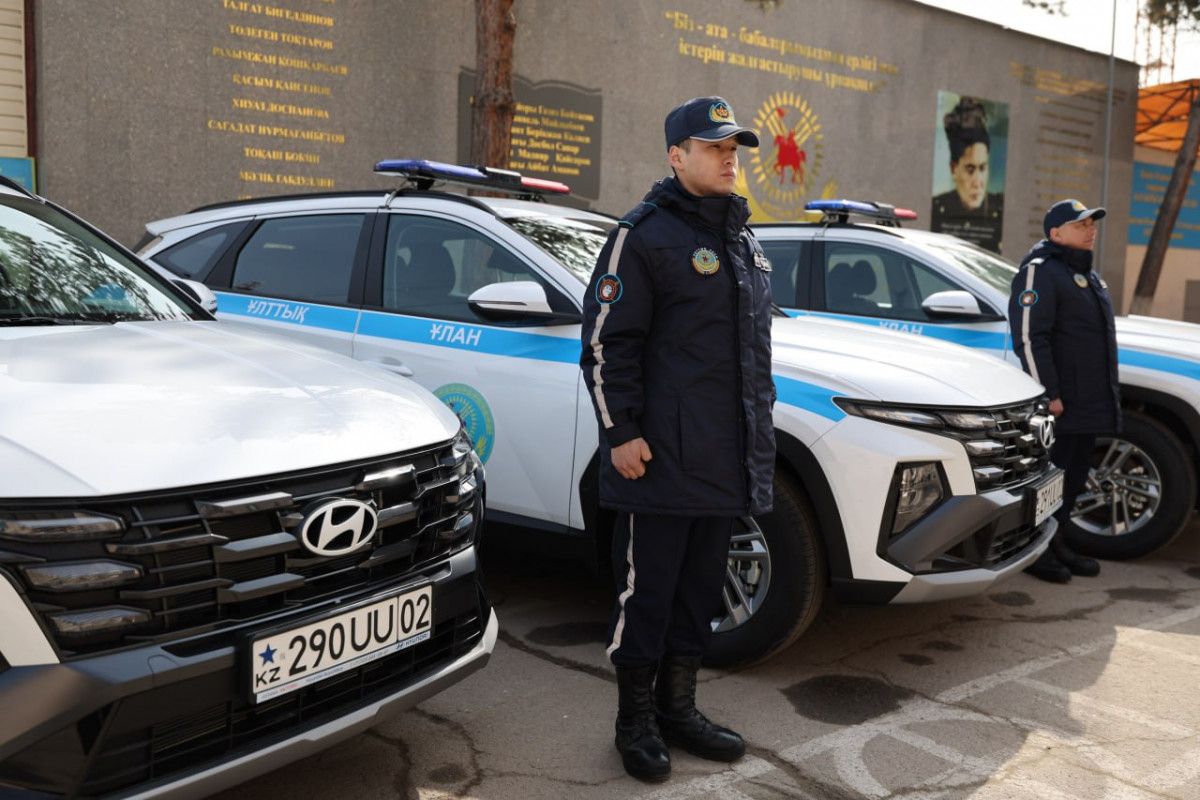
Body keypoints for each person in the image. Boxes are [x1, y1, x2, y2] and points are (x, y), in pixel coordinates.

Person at [579, 96, 775, 782]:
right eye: (714, 146)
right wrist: (620, 432)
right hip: (659, 459)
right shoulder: (643, 236)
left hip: (724, 457)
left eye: (733, 148)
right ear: (676, 155)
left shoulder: (741, 240)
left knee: (699, 593)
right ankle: (634, 722)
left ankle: (679, 710)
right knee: (649, 594)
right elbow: (607, 346)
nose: (728, 158)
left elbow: (750, 355)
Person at [1008, 199, 1120, 583]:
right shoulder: (1040, 272)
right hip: (1061, 402)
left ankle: (1059, 541)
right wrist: (1048, 394)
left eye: (1092, 224)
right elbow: (1030, 338)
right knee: (1049, 478)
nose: (1091, 230)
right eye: (1081, 225)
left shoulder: (1089, 276)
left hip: (1086, 400)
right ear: (1056, 233)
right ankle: (1037, 550)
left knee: (1072, 477)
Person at [931, 96, 1004, 253]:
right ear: (953, 169)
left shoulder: (998, 206)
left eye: (983, 168)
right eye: (970, 169)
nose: (977, 182)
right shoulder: (938, 207)